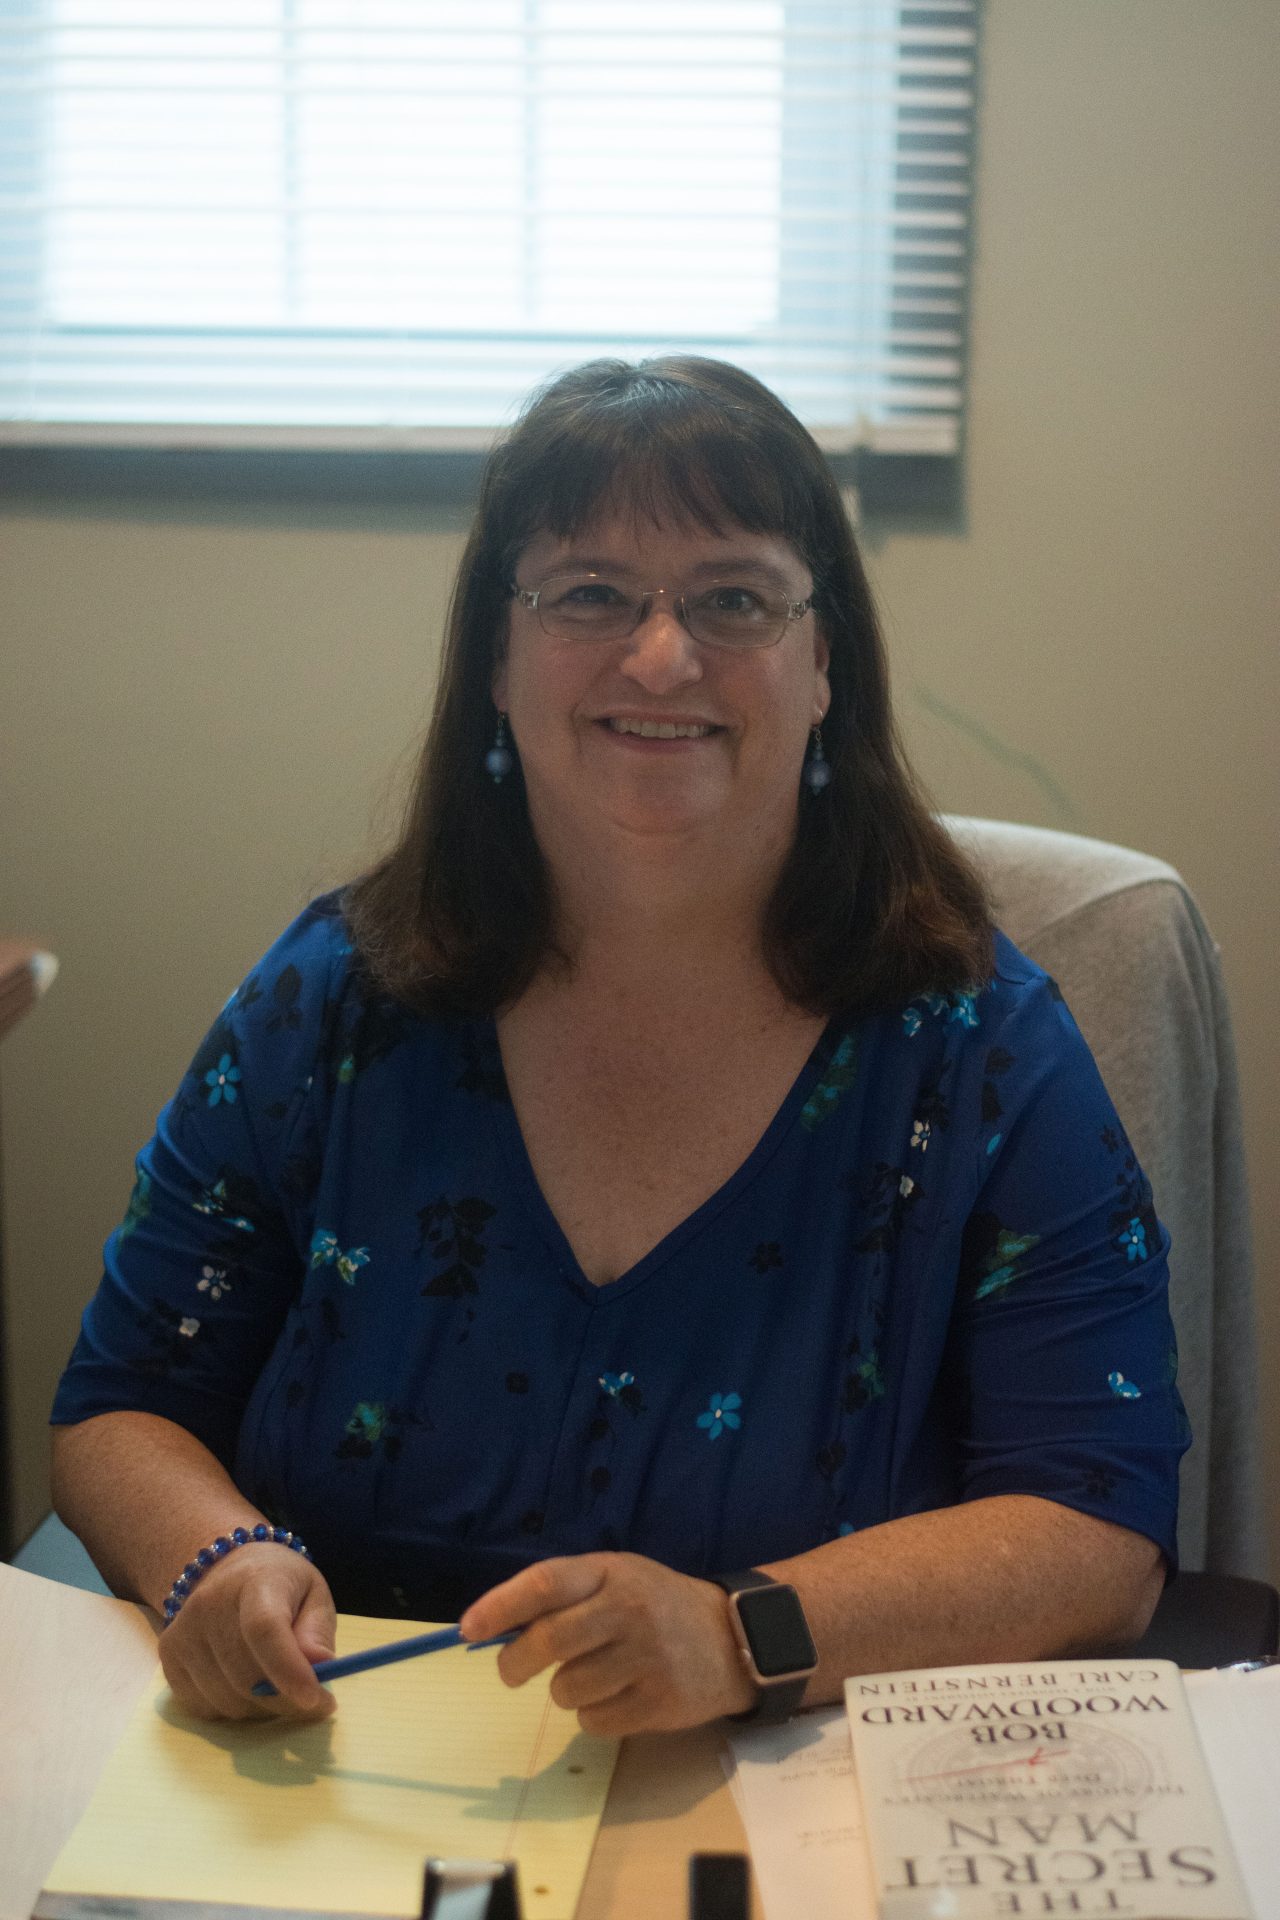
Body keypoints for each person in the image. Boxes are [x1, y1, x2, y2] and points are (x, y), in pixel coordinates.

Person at [50, 357, 1187, 1733]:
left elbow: (1096, 1526)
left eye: (734, 599)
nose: (662, 655)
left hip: (775, 1801)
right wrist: (216, 1561)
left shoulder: (982, 1051)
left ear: (823, 663)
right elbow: (121, 1404)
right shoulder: (331, 1000)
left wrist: (736, 1632)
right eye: (590, 593)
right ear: (497, 658)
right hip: (334, 1789)